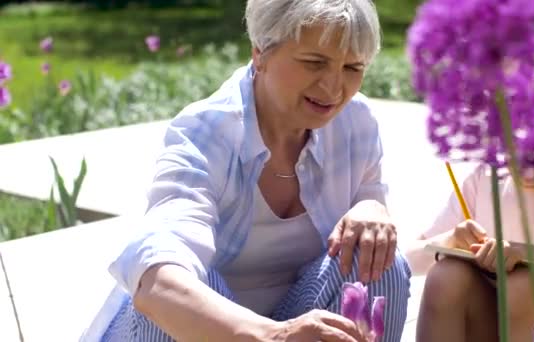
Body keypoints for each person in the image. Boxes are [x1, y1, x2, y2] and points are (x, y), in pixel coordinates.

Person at [81, 1, 411, 341]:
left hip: (294, 313)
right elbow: (155, 279)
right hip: (203, 331)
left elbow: (370, 200)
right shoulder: (204, 133)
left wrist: (372, 207)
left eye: (353, 68)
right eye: (314, 62)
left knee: (379, 261)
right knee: (183, 287)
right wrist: (273, 335)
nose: (334, 87)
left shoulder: (356, 123)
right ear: (260, 52)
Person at [405, 62, 534, 342]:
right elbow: (408, 261)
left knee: (525, 288)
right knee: (446, 276)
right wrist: (450, 240)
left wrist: (532, 257)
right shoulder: (489, 176)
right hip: (492, 321)